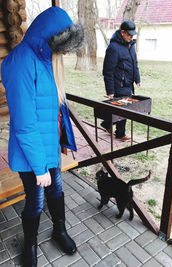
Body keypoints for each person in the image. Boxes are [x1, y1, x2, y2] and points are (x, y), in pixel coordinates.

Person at [1, 7, 84, 267]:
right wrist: (40, 168)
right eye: (64, 46)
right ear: (51, 37)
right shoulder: (22, 61)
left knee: (57, 190)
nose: (66, 53)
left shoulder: (46, 58)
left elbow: (51, 109)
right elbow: (25, 124)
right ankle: (30, 245)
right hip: (31, 153)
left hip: (47, 146)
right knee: (36, 202)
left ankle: (59, 230)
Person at [101, 20, 141, 141]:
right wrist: (110, 90)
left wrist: (137, 79)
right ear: (122, 32)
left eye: (133, 34)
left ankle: (107, 124)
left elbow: (134, 63)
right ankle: (120, 133)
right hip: (119, 84)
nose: (131, 36)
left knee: (121, 108)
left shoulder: (131, 45)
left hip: (128, 84)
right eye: (129, 34)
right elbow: (107, 71)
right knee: (124, 109)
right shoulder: (113, 47)